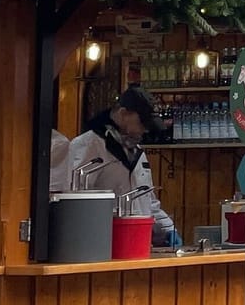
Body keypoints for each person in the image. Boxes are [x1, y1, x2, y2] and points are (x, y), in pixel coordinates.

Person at [65, 87, 179, 247]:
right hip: (100, 245)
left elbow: (147, 199)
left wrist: (167, 228)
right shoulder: (88, 145)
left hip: (137, 243)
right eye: (142, 123)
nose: (145, 129)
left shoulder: (137, 151)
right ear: (124, 113)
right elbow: (73, 200)